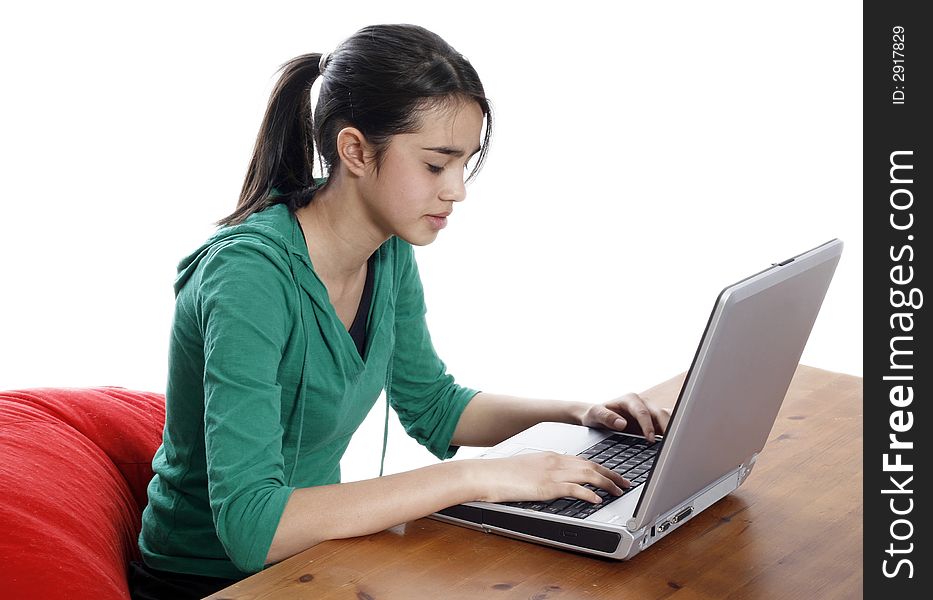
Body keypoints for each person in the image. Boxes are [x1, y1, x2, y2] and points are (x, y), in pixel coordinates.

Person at [129, 23, 670, 599]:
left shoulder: (386, 251)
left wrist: (576, 413)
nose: (457, 190)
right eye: (437, 165)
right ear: (356, 150)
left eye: (466, 163)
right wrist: (476, 477)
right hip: (206, 582)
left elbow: (433, 406)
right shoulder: (249, 278)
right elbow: (252, 526)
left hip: (310, 564)